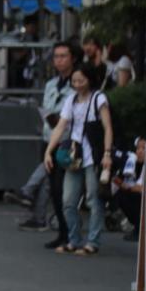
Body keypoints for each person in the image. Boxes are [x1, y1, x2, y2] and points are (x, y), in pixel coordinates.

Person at [7, 41, 77, 244]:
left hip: (67, 140)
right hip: (49, 137)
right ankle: (56, 229)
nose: (59, 60)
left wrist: (56, 118)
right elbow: (48, 110)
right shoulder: (51, 85)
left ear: (72, 58)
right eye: (56, 56)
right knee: (52, 187)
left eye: (64, 56)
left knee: (62, 190)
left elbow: (67, 116)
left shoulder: (77, 84)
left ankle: (28, 192)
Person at [45, 63, 115, 255]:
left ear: (90, 80)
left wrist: (107, 154)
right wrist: (49, 150)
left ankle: (93, 241)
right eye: (74, 81)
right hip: (74, 156)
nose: (77, 84)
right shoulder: (71, 100)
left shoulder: (98, 98)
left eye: (81, 80)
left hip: (94, 155)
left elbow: (108, 127)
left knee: (94, 199)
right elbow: (61, 126)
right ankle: (74, 239)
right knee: (68, 200)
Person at [112, 137, 146, 242]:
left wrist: (124, 185)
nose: (140, 151)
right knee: (121, 195)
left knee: (129, 196)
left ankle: (140, 228)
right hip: (136, 194)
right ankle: (137, 227)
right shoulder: (131, 161)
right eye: (138, 148)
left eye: (144, 148)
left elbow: (141, 188)